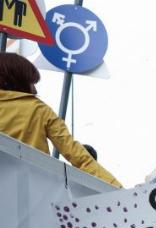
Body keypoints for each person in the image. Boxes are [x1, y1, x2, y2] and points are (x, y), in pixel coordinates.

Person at [0, 53, 121, 187]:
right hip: (34, 189)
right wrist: (118, 189)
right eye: (32, 83)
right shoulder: (38, 109)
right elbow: (77, 155)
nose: (35, 89)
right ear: (18, 81)